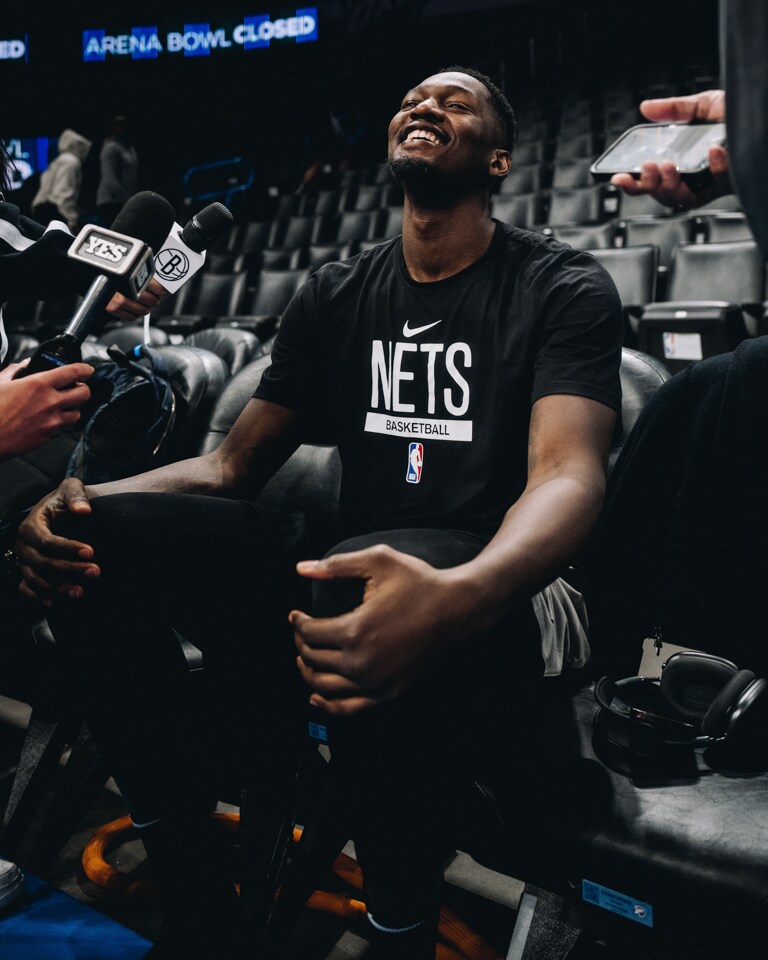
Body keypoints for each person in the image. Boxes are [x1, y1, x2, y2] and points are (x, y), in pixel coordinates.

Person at [12, 66, 623, 959]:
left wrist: (462, 591)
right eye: (412, 98)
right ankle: (195, 889)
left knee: (365, 568)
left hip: (517, 589)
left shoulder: (561, 286)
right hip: (358, 575)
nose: (423, 106)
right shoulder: (338, 291)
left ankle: (399, 926)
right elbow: (230, 467)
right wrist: (70, 502)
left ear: (499, 161)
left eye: (454, 103)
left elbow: (567, 478)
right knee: (96, 537)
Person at [30, 128, 93, 234]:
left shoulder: (58, 160)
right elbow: (64, 191)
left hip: (41, 210)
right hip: (56, 214)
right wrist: (71, 220)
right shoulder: (71, 162)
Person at [95, 114, 139, 226]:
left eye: (124, 124)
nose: (122, 128)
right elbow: (110, 178)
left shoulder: (130, 148)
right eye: (118, 124)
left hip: (125, 200)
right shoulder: (110, 148)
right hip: (112, 201)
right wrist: (127, 201)